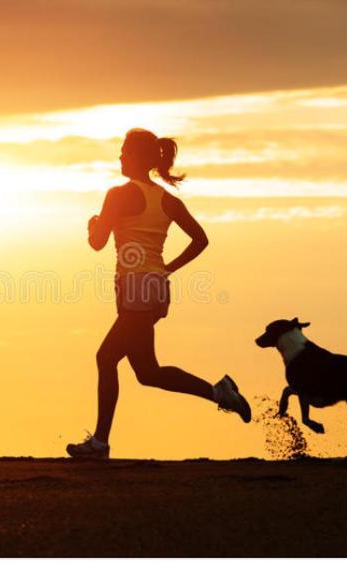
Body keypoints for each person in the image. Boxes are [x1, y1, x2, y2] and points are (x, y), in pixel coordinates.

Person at [66, 128, 251, 459]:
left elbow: (97, 243)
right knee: (148, 372)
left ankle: (100, 443)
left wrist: (92, 224)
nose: (120, 156)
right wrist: (167, 268)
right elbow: (201, 240)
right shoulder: (167, 200)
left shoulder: (118, 195)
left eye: (124, 151)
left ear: (137, 156)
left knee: (105, 357)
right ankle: (220, 393)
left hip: (135, 288)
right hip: (155, 288)